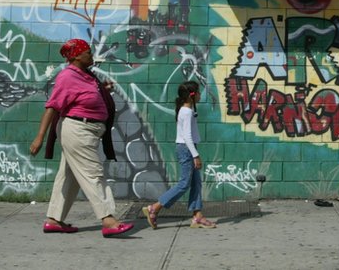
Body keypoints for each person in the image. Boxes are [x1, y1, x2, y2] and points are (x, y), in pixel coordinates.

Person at [29, 39, 133, 237]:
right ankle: (109, 220)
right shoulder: (67, 77)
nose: (91, 55)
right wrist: (39, 137)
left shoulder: (85, 75)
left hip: (85, 131)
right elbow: (52, 107)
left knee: (69, 176)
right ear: (76, 56)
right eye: (88, 52)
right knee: (93, 173)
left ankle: (54, 220)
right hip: (77, 130)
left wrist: (103, 89)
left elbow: (84, 95)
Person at [142, 81, 217, 229]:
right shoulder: (187, 112)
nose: (201, 95)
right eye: (199, 92)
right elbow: (187, 136)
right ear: (192, 95)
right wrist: (196, 155)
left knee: (196, 182)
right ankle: (155, 207)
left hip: (188, 148)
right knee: (184, 184)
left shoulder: (186, 109)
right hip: (187, 149)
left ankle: (197, 216)